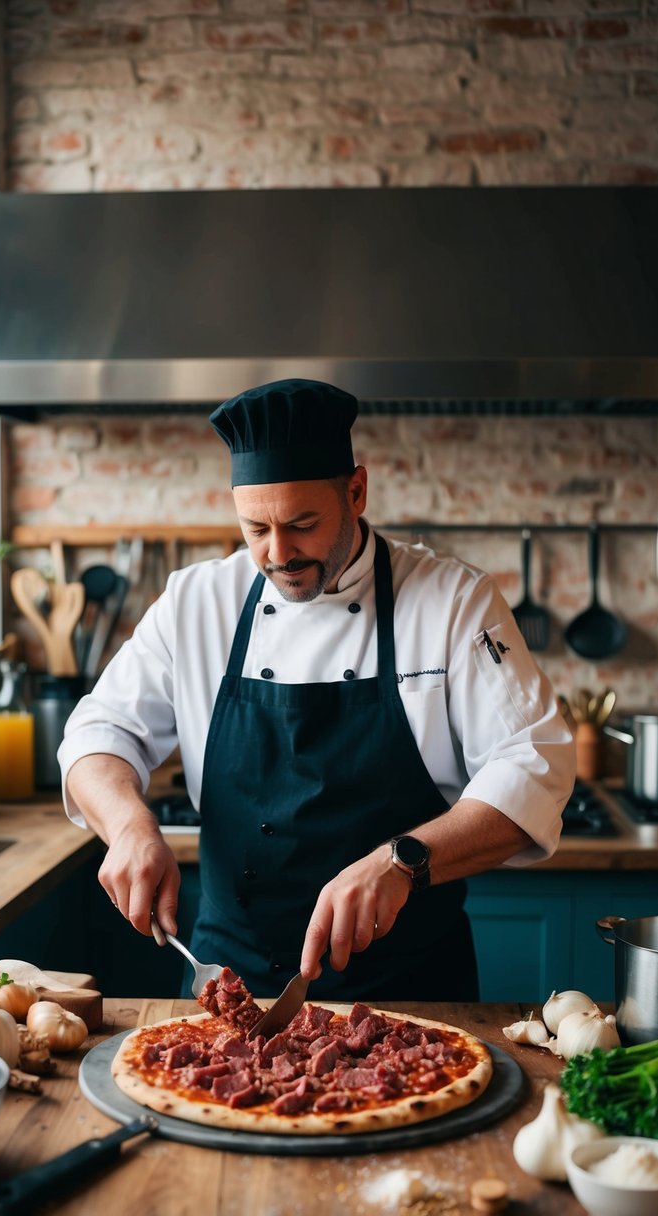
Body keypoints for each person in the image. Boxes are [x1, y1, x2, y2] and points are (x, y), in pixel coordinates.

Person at [58, 378, 575, 1002]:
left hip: (408, 990)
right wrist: (128, 825)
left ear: (356, 491)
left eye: (302, 524)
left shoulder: (452, 602)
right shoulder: (195, 602)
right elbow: (98, 734)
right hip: (226, 983)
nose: (278, 554)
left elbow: (536, 764)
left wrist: (401, 861)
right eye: (255, 529)